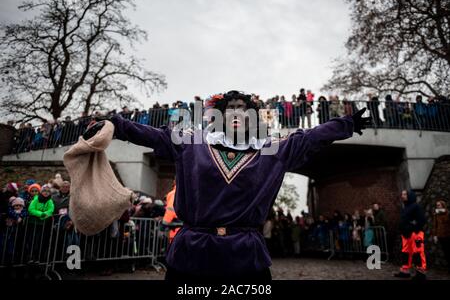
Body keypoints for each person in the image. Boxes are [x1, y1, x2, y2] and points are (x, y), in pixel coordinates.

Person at [83, 89, 371, 282]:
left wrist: (344, 124)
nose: (236, 113)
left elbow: (308, 137)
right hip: (192, 253)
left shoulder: (270, 150)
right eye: (229, 109)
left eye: (243, 110)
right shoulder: (192, 144)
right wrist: (116, 125)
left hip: (245, 255)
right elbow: (155, 136)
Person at [394, 189, 426, 280]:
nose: (402, 196)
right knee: (406, 253)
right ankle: (405, 271)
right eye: (402, 194)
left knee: (418, 253)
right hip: (406, 234)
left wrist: (414, 230)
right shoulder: (405, 207)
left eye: (404, 194)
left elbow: (422, 220)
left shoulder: (416, 206)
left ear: (410, 195)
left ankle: (421, 273)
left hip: (415, 234)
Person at [432, 200, 450, 273]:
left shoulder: (447, 213)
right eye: (437, 205)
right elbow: (435, 225)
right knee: (445, 252)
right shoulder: (436, 214)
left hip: (448, 235)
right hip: (440, 235)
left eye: (439, 205)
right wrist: (435, 235)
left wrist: (444, 212)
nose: (438, 206)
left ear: (443, 205)